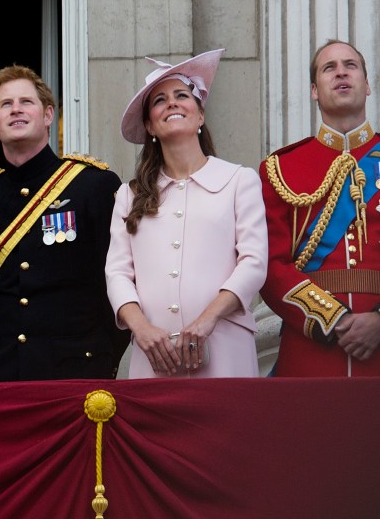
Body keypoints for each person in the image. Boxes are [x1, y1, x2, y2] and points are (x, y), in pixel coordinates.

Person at [105, 49, 267, 378]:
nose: (173, 103)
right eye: (160, 101)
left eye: (182, 95)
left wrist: (207, 320)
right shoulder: (129, 194)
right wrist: (142, 330)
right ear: (149, 124)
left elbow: (253, 262)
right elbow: (118, 274)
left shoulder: (239, 180)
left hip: (225, 348)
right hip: (154, 356)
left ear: (200, 115)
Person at [0, 65, 128, 381]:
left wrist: (104, 358)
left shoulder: (93, 186)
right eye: (5, 104)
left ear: (48, 116)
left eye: (26, 102)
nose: (16, 110)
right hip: (5, 372)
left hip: (78, 369)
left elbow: (115, 279)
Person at [260, 39, 380, 376]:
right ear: (314, 90)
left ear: (367, 85)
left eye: (350, 65)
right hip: (311, 346)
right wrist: (333, 318)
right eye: (329, 68)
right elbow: (269, 264)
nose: (341, 72)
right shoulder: (280, 169)